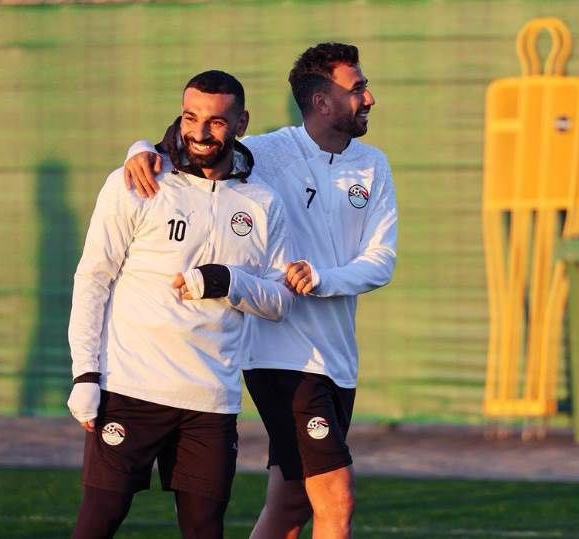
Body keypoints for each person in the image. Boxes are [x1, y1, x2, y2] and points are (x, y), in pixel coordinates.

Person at [124, 43, 398, 539]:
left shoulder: (373, 165)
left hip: (337, 359)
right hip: (281, 356)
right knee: (337, 499)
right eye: (357, 88)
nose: (369, 98)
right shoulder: (268, 153)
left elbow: (382, 260)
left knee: (291, 505)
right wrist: (140, 148)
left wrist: (322, 278)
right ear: (322, 101)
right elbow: (193, 147)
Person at [67, 70, 294, 539]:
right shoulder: (138, 182)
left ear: (241, 123)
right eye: (191, 117)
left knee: (205, 529)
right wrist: (85, 374)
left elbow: (280, 301)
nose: (200, 131)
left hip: (211, 399)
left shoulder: (262, 201)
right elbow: (93, 279)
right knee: (97, 523)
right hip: (129, 387)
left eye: (216, 121)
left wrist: (227, 281)